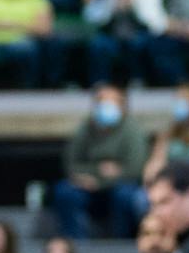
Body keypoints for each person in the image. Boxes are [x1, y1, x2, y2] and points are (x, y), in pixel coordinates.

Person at [55, 84, 150, 240]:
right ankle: (76, 244)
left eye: (111, 102)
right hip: (88, 187)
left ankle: (122, 242)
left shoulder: (132, 129)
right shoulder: (86, 127)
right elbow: (70, 163)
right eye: (101, 101)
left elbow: (135, 168)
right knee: (64, 191)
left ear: (123, 106)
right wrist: (94, 174)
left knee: (126, 194)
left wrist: (100, 181)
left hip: (118, 187)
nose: (105, 106)